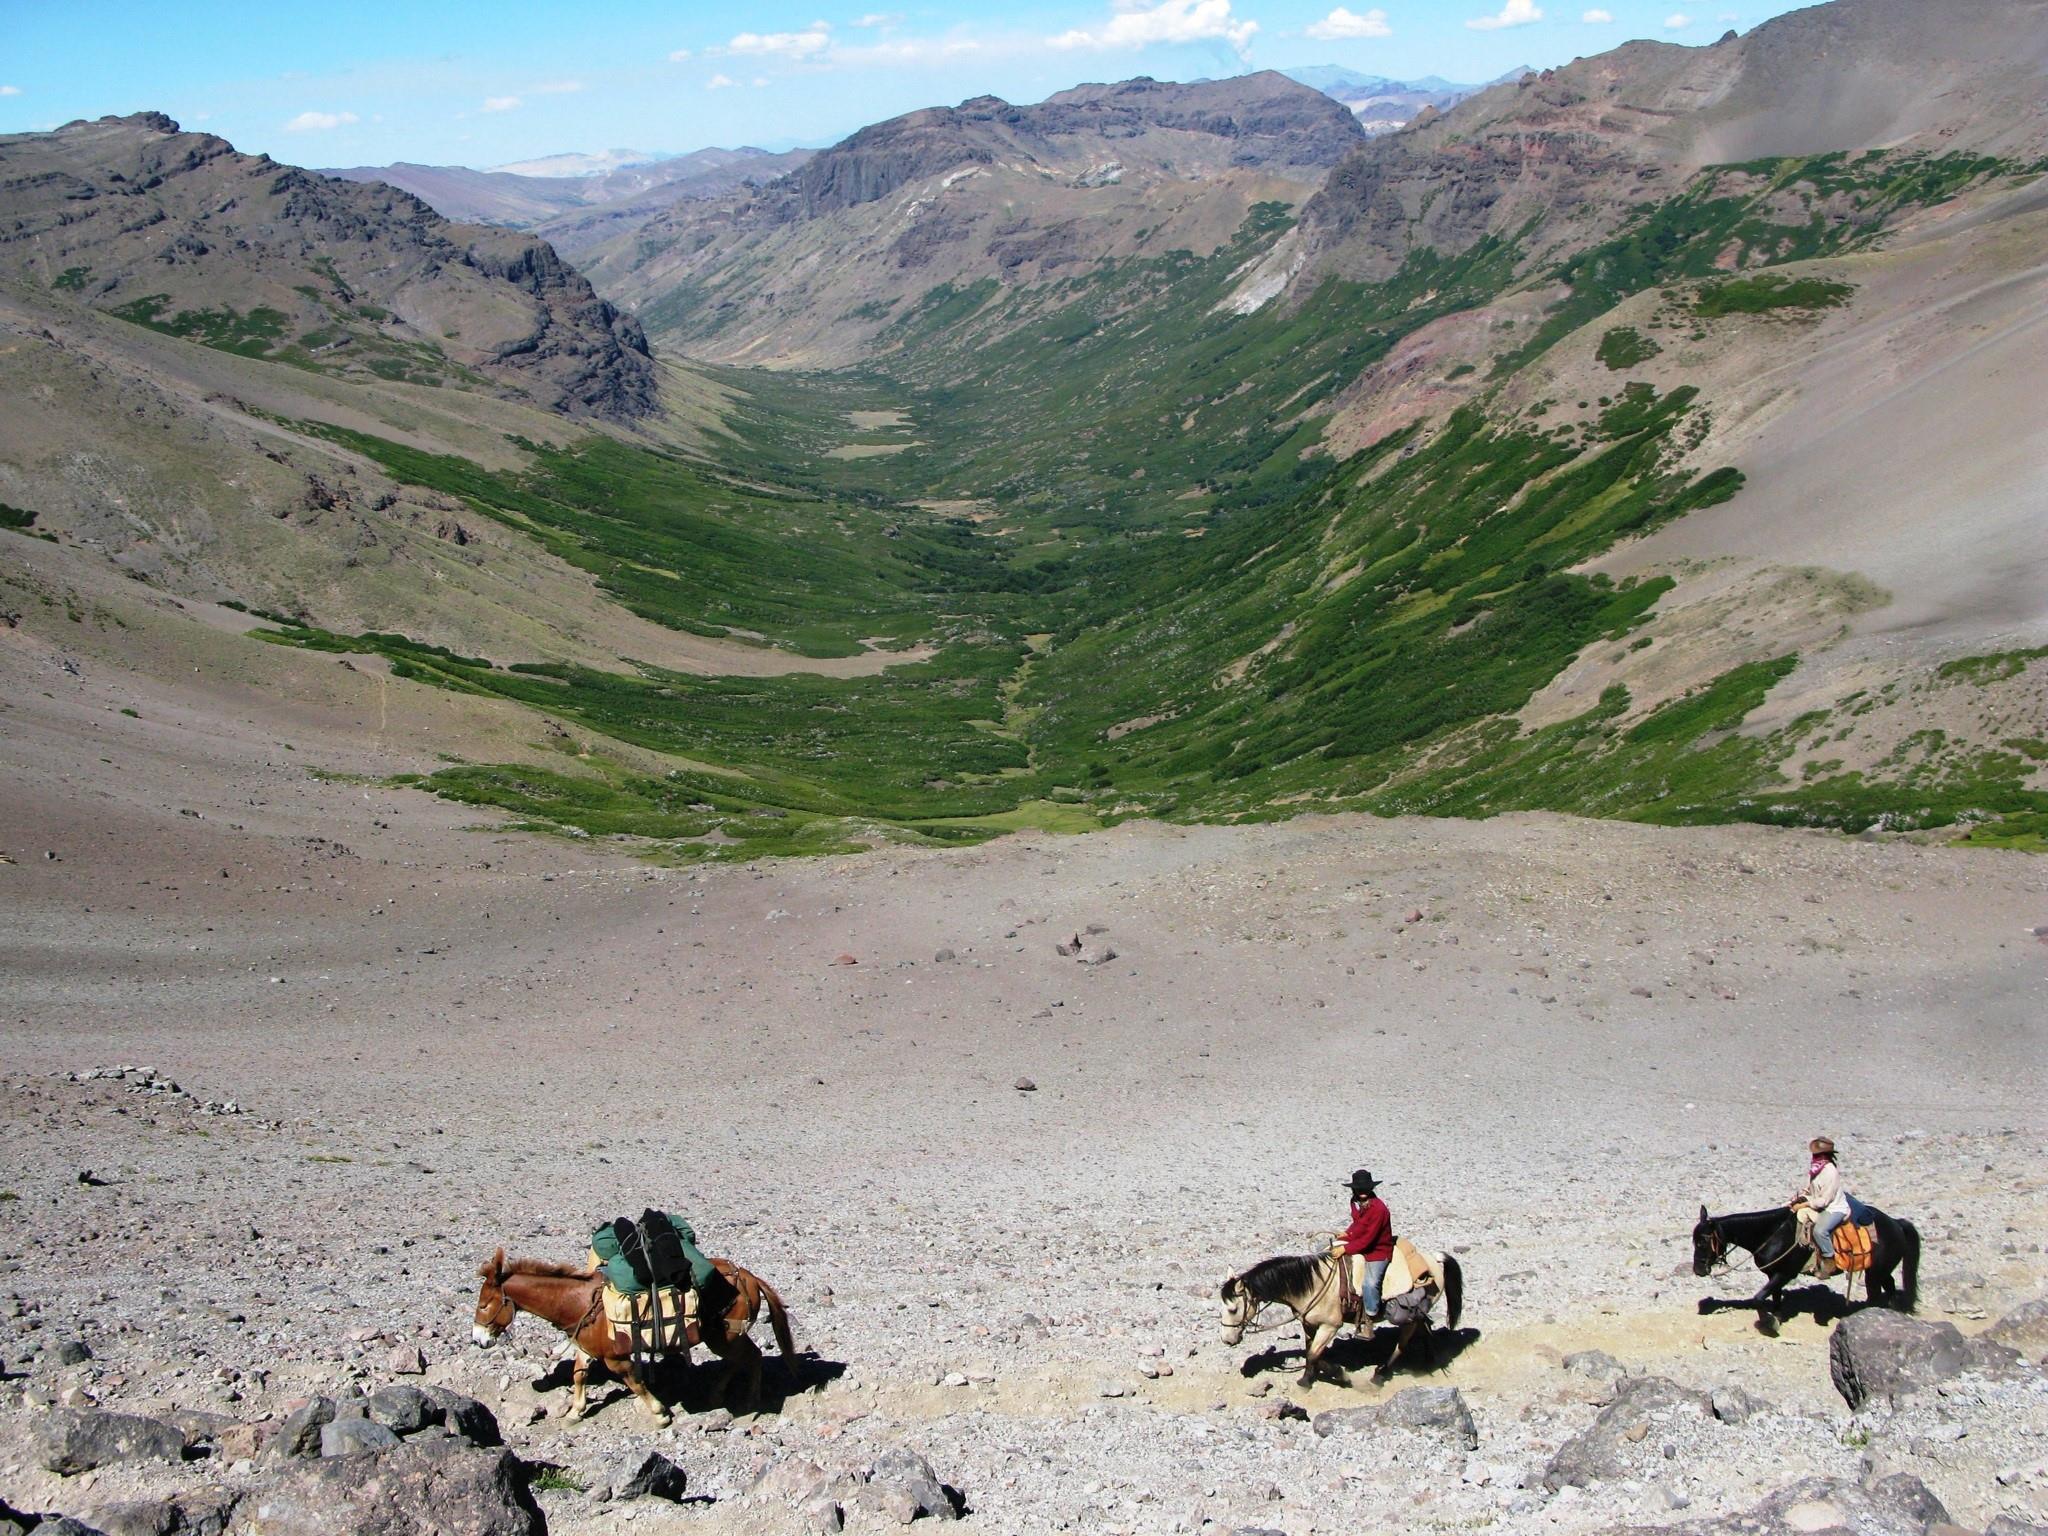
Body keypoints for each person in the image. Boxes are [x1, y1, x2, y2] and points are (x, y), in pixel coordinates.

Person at [1788, 1136, 1852, 1271]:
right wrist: (1795, 1200)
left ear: (1825, 1155)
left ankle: (1829, 1259)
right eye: (1814, 1155)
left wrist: (1805, 1205)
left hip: (1833, 1209)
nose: (1814, 1157)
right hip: (1816, 1203)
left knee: (1820, 1231)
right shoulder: (1815, 1169)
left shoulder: (1830, 1172)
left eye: (1817, 1155)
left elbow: (1824, 1200)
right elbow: (1808, 1189)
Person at [1341, 1169, 1394, 1322]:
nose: (1362, 1192)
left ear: (1371, 1189)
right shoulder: (1358, 1203)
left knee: (1369, 1284)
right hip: (1364, 1246)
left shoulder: (1378, 1209)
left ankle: (1370, 1316)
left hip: (1378, 1251)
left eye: (1365, 1189)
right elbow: (1359, 1224)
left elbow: (1369, 1238)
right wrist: (1347, 1234)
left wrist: (1345, 1248)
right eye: (1359, 1189)